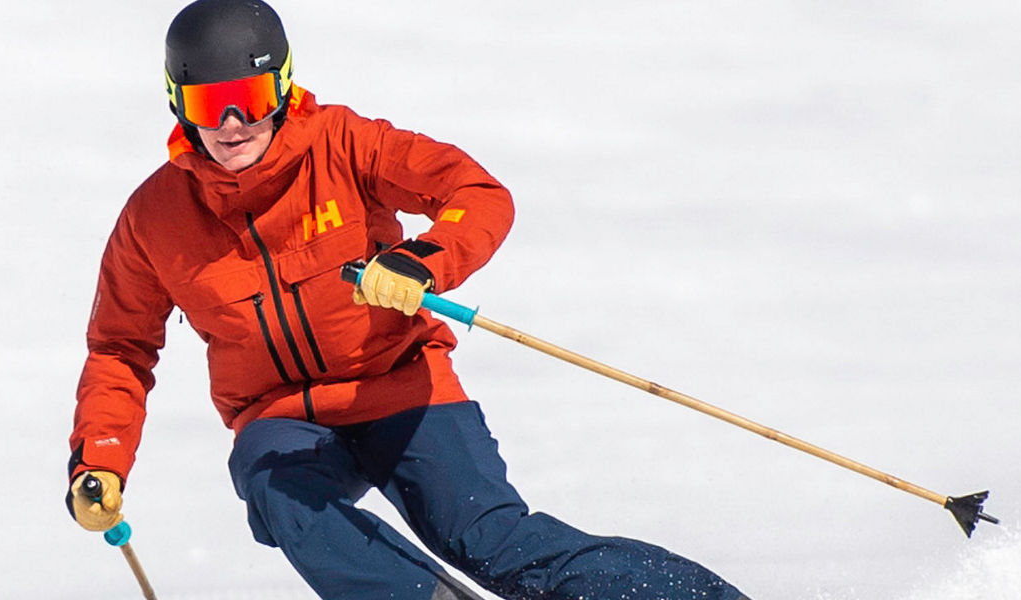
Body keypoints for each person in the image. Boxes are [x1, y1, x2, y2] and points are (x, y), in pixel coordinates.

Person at [63, 2, 744, 598]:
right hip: (282, 417)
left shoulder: (344, 146)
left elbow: (476, 194)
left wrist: (423, 260)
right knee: (273, 484)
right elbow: (120, 348)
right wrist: (100, 460)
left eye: (250, 97)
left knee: (491, 541)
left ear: (283, 87)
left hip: (403, 386)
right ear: (177, 103)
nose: (233, 124)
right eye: (210, 105)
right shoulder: (154, 219)